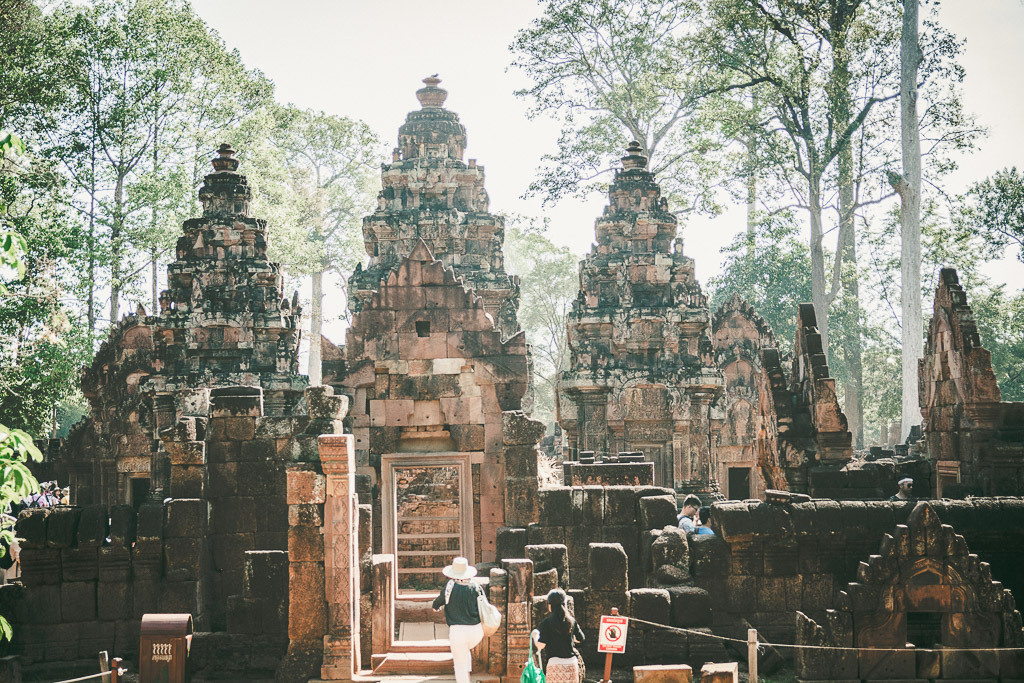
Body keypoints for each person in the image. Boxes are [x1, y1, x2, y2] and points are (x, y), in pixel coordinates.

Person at [432, 557, 484, 683]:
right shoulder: (476, 586)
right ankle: (468, 678)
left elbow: (437, 603)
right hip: (477, 630)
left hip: (458, 631)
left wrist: (436, 608)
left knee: (459, 664)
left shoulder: (450, 587)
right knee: (465, 652)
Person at [532, 588, 585, 683]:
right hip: (571, 664)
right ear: (564, 604)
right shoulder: (571, 621)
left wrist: (535, 636)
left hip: (555, 664)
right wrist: (571, 637)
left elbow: (541, 645)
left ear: (549, 606)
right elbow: (581, 638)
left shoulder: (546, 623)